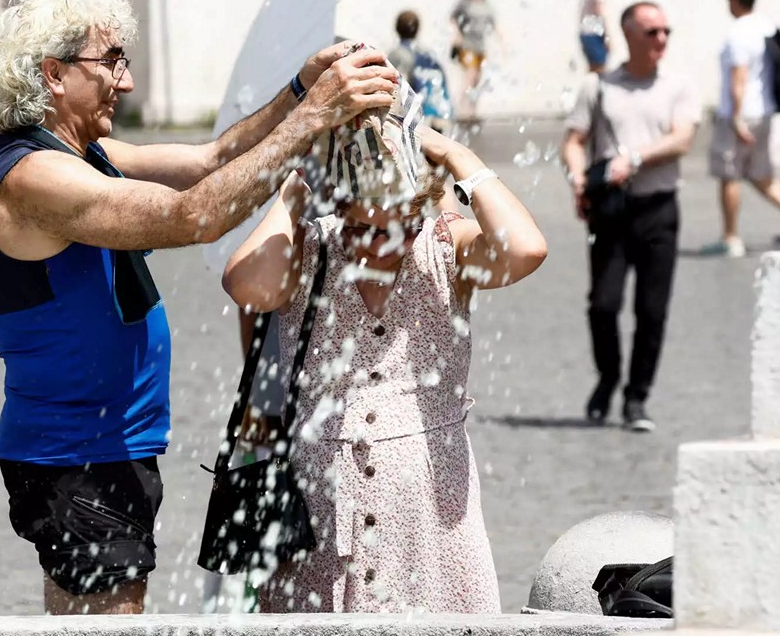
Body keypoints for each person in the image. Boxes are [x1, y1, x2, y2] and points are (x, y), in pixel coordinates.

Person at [0, 0, 398, 615]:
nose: (127, 81)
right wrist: (316, 118)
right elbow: (194, 216)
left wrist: (301, 91)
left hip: (105, 446)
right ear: (54, 75)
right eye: (111, 61)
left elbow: (212, 159)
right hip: (76, 452)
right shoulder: (36, 177)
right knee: (108, 624)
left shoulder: (88, 153)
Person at [222, 83, 546, 612]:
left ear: (417, 209)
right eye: (357, 225)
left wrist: (456, 155)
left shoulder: (445, 247)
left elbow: (527, 248)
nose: (371, 242)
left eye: (389, 227)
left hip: (431, 517)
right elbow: (245, 285)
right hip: (319, 510)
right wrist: (293, 191)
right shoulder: (311, 249)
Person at [560, 2, 701, 432]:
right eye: (651, 32)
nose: (661, 39)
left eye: (665, 31)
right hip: (612, 209)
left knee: (652, 310)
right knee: (603, 304)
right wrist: (579, 180)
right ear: (628, 35)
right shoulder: (599, 87)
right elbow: (572, 141)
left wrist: (634, 158)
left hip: (658, 207)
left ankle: (637, 397)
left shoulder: (678, 85)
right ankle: (608, 377)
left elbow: (681, 139)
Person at [703, 0, 780, 257]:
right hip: (765, 110)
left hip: (741, 113)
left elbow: (738, 78)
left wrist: (736, 118)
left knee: (729, 175)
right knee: (760, 172)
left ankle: (730, 238)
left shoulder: (738, 33)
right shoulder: (765, 27)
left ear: (736, 0)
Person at [387, 10, 453, 131]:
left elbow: (396, 88)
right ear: (417, 29)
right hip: (438, 115)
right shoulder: (429, 55)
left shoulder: (397, 55)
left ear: (397, 29)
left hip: (416, 119)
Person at [450, 0, 497, 121]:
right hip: (467, 44)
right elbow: (453, 18)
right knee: (469, 76)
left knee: (477, 79)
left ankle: (472, 111)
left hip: (480, 46)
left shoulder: (485, 3)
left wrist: (502, 41)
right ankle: (462, 110)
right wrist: (457, 35)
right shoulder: (465, 2)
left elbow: (493, 23)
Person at [579, 0, 611, 74]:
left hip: (585, 30)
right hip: (594, 32)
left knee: (593, 68)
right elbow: (599, 10)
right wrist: (607, 35)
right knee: (599, 68)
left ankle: (591, 90)